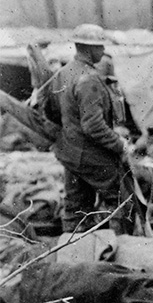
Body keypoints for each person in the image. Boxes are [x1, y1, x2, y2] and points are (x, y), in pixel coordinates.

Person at [45, 24, 135, 234]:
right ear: (88, 48)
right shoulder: (89, 79)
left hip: (70, 152)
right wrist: (120, 144)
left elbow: (50, 111)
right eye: (100, 47)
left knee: (75, 208)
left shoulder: (62, 73)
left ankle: (74, 256)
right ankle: (123, 253)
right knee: (122, 201)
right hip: (91, 156)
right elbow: (93, 126)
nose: (103, 51)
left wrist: (70, 130)